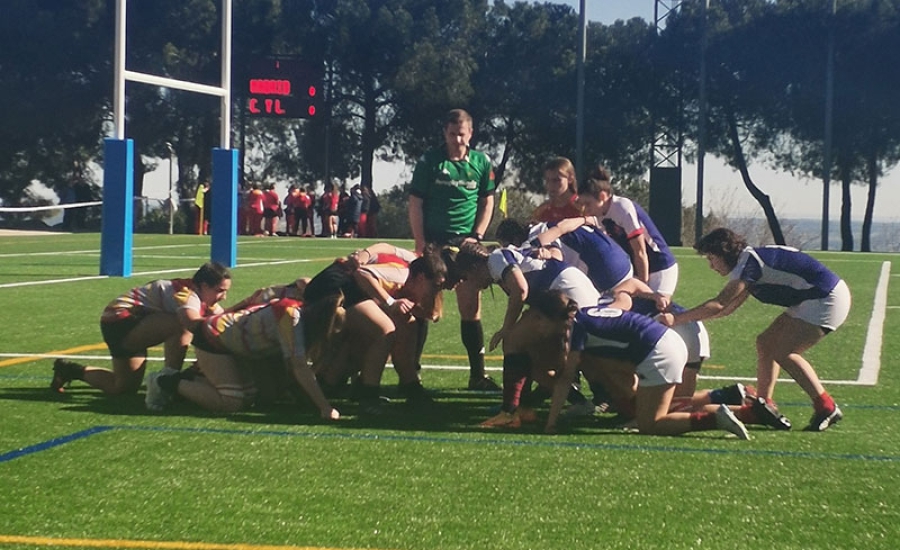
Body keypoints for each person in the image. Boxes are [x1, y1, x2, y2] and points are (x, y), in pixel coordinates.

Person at [658, 227, 851, 432]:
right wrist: (689, 320)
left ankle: (826, 407)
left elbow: (720, 304)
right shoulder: (748, 262)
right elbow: (726, 309)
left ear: (724, 254)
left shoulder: (749, 263)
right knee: (766, 343)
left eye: (711, 258)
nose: (711, 265)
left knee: (784, 352)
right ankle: (763, 404)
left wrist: (676, 319)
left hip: (826, 298)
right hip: (815, 297)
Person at [542, 291, 750, 439]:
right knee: (656, 403)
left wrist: (551, 423)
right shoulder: (588, 313)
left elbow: (566, 377)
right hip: (665, 343)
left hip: (659, 353)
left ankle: (714, 418)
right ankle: (725, 400)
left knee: (651, 424)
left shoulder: (577, 328)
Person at [408, 108, 498, 391]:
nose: (457, 140)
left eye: (462, 134)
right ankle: (413, 375)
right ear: (444, 133)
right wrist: (421, 242)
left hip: (466, 243)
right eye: (452, 134)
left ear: (470, 134)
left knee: (470, 306)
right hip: (434, 242)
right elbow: (416, 203)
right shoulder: (429, 161)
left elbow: (487, 201)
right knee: (423, 306)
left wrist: (477, 235)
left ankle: (477, 375)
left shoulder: (482, 162)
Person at [145, 295, 344, 420]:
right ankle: (166, 381)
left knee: (262, 397)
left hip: (241, 348)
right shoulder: (291, 317)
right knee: (232, 401)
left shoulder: (297, 314)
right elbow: (299, 366)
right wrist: (325, 407)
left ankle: (191, 382)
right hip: (214, 340)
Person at [304, 243, 448, 412]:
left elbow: (387, 248)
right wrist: (390, 303)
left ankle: (411, 386)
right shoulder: (402, 275)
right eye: (435, 287)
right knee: (384, 330)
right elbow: (362, 273)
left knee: (407, 323)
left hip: (351, 286)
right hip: (332, 286)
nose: (436, 292)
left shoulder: (415, 264)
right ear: (422, 278)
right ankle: (368, 395)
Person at [51, 262, 232, 396]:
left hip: (129, 322)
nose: (223, 297)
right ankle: (169, 383)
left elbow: (222, 323)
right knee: (182, 325)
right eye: (220, 291)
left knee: (122, 389)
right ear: (203, 286)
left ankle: (69, 370)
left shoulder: (202, 297)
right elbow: (192, 323)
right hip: (120, 320)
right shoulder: (187, 295)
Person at [578, 165, 678, 303]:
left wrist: (642, 286)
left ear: (602, 196)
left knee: (656, 310)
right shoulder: (600, 214)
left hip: (660, 266)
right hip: (639, 269)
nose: (585, 209)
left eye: (588, 204)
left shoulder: (622, 208)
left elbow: (640, 252)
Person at [531, 156, 582, 224]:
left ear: (570, 179)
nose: (551, 185)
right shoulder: (542, 211)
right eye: (547, 180)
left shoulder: (581, 207)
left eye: (556, 180)